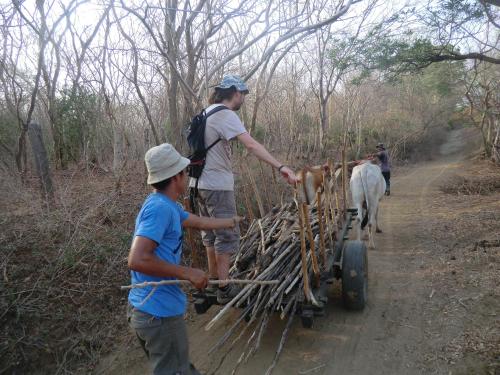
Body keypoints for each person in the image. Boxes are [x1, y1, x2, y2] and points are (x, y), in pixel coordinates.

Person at [127, 143, 243, 375]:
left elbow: (198, 221)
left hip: (148, 310)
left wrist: (229, 222)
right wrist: (188, 272)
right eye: (184, 172)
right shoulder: (160, 209)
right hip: (157, 315)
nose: (187, 176)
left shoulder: (164, 204)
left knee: (179, 367)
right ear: (175, 177)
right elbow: (137, 259)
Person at [190, 74, 299, 304]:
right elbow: (250, 144)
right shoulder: (226, 114)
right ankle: (224, 287)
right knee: (226, 235)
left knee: (209, 234)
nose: (244, 99)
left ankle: (212, 281)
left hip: (197, 184)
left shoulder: (206, 112)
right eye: (243, 95)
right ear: (235, 93)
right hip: (217, 187)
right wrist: (281, 166)